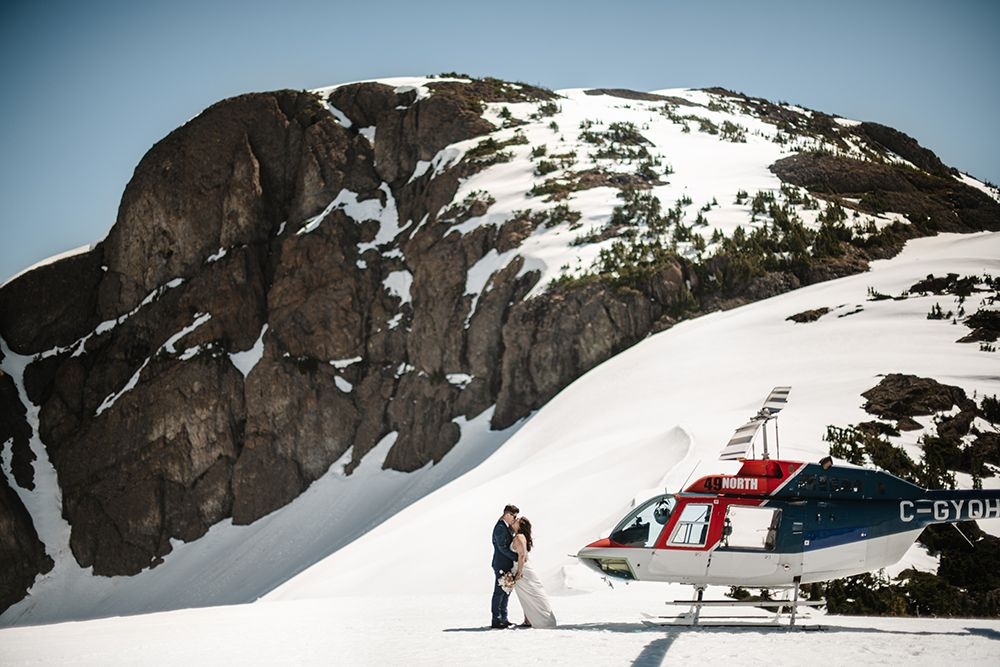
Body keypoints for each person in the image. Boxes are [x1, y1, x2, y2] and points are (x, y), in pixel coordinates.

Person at [511, 516, 557, 628]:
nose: (514, 521)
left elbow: (522, 556)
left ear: (520, 525)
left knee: (532, 595)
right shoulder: (518, 536)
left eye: (517, 521)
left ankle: (542, 620)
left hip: (523, 571)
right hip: (520, 569)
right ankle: (528, 619)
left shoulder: (519, 537)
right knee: (526, 596)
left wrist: (519, 572)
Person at [491, 504, 519, 629]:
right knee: (499, 592)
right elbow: (502, 548)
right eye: (514, 516)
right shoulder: (500, 528)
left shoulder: (505, 527)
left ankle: (504, 618)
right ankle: (496, 620)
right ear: (507, 514)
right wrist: (516, 557)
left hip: (506, 564)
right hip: (501, 563)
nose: (514, 519)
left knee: (506, 591)